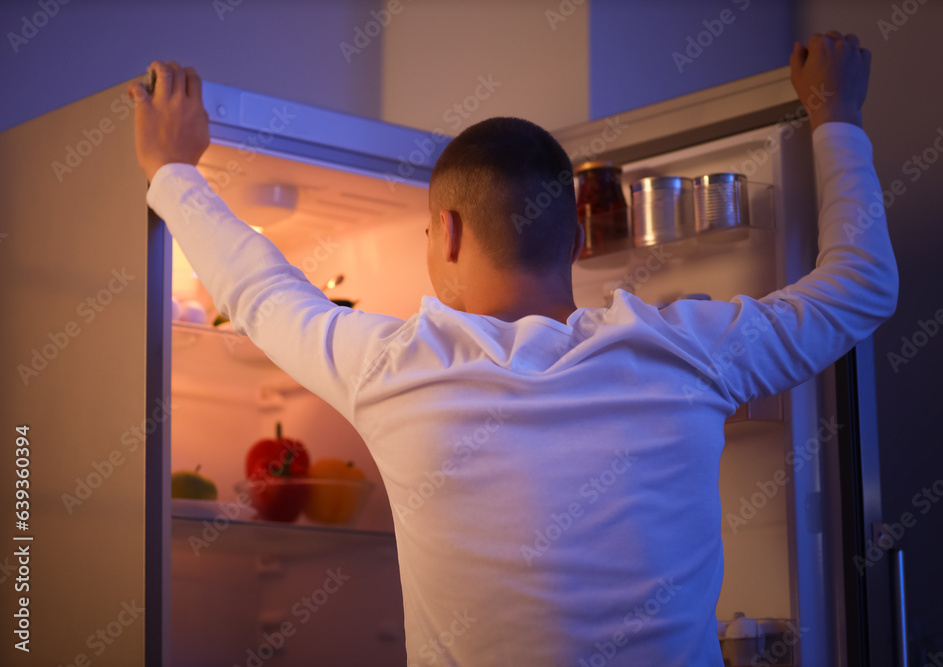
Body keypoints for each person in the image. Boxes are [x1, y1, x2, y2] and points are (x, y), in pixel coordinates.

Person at [130, 30, 896, 666]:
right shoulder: (688, 348)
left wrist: (172, 170)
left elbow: (262, 293)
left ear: (450, 234)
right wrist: (837, 112)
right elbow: (861, 285)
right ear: (573, 235)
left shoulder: (394, 367)